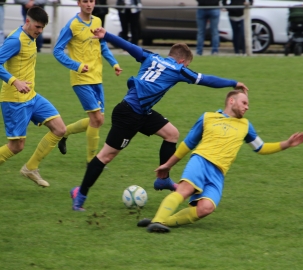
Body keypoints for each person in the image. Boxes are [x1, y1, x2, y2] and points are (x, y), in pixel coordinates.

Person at [69, 27, 248, 211]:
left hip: (141, 111)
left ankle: (163, 179)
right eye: (186, 65)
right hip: (129, 114)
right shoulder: (179, 69)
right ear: (181, 61)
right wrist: (233, 83)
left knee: (171, 134)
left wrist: (106, 35)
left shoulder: (151, 56)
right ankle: (80, 194)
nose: (185, 68)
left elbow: (130, 47)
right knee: (106, 156)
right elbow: (206, 79)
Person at [136, 90, 303, 233]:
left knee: (206, 208)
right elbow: (188, 144)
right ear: (231, 101)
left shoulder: (246, 126)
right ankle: (157, 221)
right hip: (201, 161)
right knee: (185, 190)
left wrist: (287, 144)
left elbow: (260, 148)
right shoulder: (208, 117)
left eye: (247, 105)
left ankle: (161, 222)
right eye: (244, 103)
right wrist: (168, 164)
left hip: (218, 173)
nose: (247, 107)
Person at [0, 7, 66, 187]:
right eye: (37, 27)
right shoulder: (15, 40)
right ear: (27, 22)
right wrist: (15, 81)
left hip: (32, 97)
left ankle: (31, 168)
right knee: (16, 146)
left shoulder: (32, 38)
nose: (40, 31)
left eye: (42, 28)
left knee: (60, 129)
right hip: (14, 100)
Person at [53, 0, 122, 166]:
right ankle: (92, 161)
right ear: (79, 3)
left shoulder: (97, 21)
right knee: (96, 118)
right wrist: (76, 65)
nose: (88, 4)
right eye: (85, 1)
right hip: (81, 79)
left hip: (97, 78)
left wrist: (114, 63)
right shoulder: (72, 25)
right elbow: (57, 50)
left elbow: (102, 46)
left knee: (98, 120)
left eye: (91, 1)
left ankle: (64, 133)